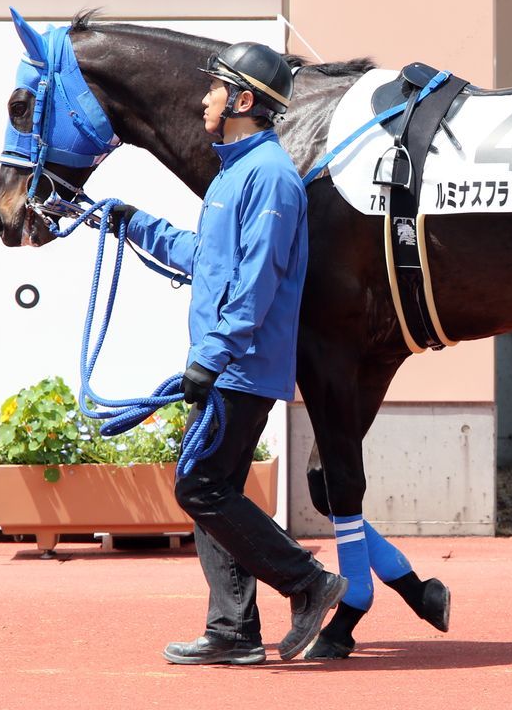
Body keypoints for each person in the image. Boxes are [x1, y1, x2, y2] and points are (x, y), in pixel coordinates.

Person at [111, 42, 346, 665]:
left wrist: (211, 357)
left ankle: (307, 581)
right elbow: (205, 258)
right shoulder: (234, 174)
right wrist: (132, 222)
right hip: (230, 363)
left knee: (200, 488)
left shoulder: (269, 176)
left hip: (241, 367)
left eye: (214, 87)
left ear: (243, 100)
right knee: (216, 492)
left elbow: (257, 282)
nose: (204, 98)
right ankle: (234, 632)